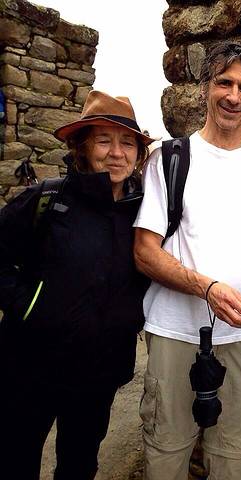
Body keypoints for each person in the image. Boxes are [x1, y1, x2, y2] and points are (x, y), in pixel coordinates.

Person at [133, 41, 241, 480]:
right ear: (205, 88)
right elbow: (145, 252)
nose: (233, 96)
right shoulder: (169, 160)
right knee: (166, 452)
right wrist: (206, 288)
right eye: (224, 83)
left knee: (238, 458)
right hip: (174, 331)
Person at [0, 90, 153, 479]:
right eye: (104, 141)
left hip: (98, 374)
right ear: (83, 146)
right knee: (15, 461)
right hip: (30, 365)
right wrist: (28, 306)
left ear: (139, 153)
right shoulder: (48, 199)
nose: (116, 153)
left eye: (127, 143)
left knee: (79, 465)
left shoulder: (143, 213)